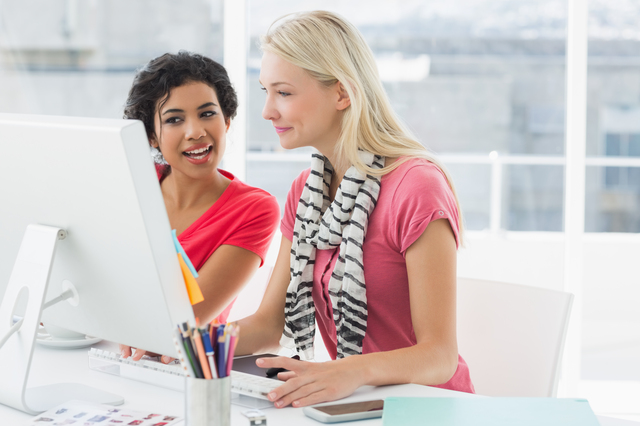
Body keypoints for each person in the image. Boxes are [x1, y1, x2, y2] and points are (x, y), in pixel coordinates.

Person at [235, 11, 475, 408]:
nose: (268, 111)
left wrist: (351, 371)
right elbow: (267, 325)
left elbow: (440, 356)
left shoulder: (416, 187)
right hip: (356, 405)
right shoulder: (305, 193)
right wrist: (183, 346)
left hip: (429, 407)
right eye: (265, 91)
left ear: (342, 93)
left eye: (284, 92)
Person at [120, 51, 280, 362]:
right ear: (152, 136)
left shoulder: (253, 209)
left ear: (227, 121)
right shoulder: (131, 184)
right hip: (114, 352)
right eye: (174, 119)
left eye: (207, 114)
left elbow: (186, 317)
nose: (195, 131)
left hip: (188, 367)